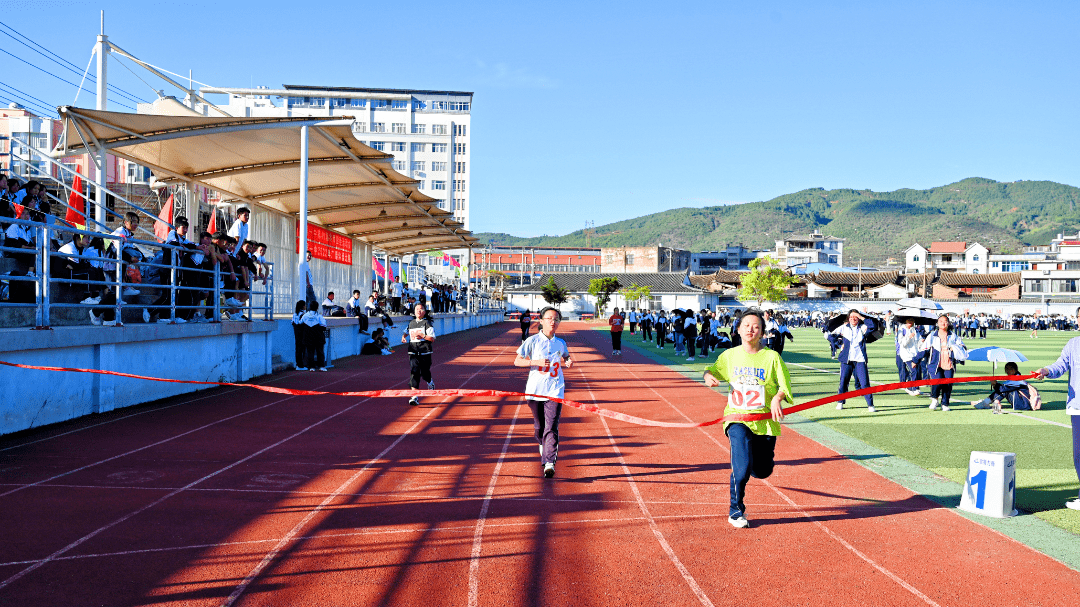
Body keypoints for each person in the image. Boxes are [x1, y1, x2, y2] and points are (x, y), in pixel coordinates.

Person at [702, 309, 792, 529]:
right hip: (737, 418)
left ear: (762, 332)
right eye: (747, 325)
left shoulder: (772, 357)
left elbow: (784, 386)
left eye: (756, 326)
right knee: (740, 469)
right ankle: (735, 511)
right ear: (739, 329)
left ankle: (752, 461)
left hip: (765, 422)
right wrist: (708, 376)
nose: (751, 329)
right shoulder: (730, 355)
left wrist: (777, 398)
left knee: (763, 471)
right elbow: (711, 370)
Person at [514, 306, 574, 479]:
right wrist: (536, 362)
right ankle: (543, 444)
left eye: (556, 319)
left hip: (555, 389)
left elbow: (566, 356)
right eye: (549, 318)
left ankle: (549, 463)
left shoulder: (560, 343)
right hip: (535, 390)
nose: (553, 322)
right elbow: (517, 361)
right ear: (541, 321)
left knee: (552, 426)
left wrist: (568, 361)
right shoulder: (532, 341)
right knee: (540, 427)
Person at [1033, 330, 1080, 510]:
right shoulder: (1073, 344)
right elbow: (1060, 365)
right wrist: (1045, 371)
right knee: (1079, 455)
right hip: (1077, 406)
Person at [919, 314, 968, 412]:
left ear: (948, 323)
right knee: (936, 382)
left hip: (949, 363)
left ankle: (945, 403)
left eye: (945, 321)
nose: (943, 323)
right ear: (937, 323)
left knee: (948, 384)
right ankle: (934, 399)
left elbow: (963, 347)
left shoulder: (953, 336)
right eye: (941, 321)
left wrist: (954, 347)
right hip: (935, 363)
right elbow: (924, 349)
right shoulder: (932, 335)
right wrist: (915, 360)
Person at [832, 310, 877, 413]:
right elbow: (830, 335)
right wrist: (839, 345)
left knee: (864, 382)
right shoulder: (843, 327)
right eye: (851, 317)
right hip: (846, 359)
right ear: (848, 318)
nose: (853, 318)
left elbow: (873, 326)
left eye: (855, 317)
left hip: (860, 359)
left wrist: (861, 317)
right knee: (843, 381)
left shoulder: (863, 327)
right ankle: (840, 401)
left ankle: (870, 404)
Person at [402, 301, 436, 406]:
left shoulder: (427, 324)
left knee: (425, 372)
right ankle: (414, 397)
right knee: (414, 372)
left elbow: (432, 339)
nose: (418, 311)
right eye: (417, 309)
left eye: (421, 309)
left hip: (425, 352)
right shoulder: (411, 323)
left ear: (424, 312)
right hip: (413, 351)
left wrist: (423, 336)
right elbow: (406, 331)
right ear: (414, 311)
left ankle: (430, 382)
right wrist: (403, 337)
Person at [972, 362, 1041, 413]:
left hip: (1024, 405)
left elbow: (1003, 389)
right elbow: (1003, 388)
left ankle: (986, 402)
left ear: (1015, 369)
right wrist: (995, 384)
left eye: (1011, 368)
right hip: (1021, 402)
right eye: (1007, 369)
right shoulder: (1014, 378)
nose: (1008, 370)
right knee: (1004, 390)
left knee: (1004, 390)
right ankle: (987, 402)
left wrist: (995, 384)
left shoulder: (1017, 379)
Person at [895, 318, 922, 396]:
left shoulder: (915, 330)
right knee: (913, 371)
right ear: (905, 321)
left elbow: (918, 340)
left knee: (916, 371)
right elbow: (902, 343)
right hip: (906, 354)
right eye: (909, 320)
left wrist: (921, 341)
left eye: (912, 320)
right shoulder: (901, 330)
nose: (910, 322)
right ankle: (910, 388)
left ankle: (916, 388)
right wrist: (909, 337)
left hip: (915, 354)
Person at [301, 304, 328, 372]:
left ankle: (311, 367)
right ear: (317, 308)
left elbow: (300, 323)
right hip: (318, 337)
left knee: (310, 352)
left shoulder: (305, 315)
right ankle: (321, 366)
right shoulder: (319, 316)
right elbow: (324, 326)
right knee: (320, 352)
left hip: (308, 337)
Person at [292, 300, 308, 371]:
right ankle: (300, 365)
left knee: (298, 349)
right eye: (304, 305)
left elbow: (293, 323)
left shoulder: (295, 314)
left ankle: (298, 364)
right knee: (302, 350)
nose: (305, 306)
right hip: (302, 334)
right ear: (302, 306)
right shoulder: (303, 314)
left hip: (296, 334)